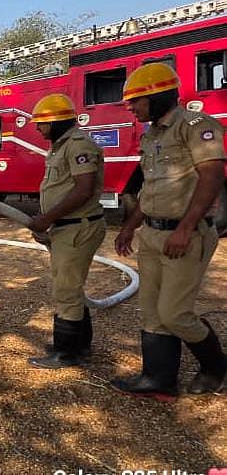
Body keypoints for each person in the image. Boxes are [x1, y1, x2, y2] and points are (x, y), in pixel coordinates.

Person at [113, 63, 227, 396]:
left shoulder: (195, 125)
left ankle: (216, 367)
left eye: (136, 100)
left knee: (175, 313)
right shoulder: (152, 135)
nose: (130, 107)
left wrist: (186, 228)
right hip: (151, 232)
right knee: (151, 311)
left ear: (158, 96)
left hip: (185, 236)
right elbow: (151, 188)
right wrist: (129, 227)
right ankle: (158, 378)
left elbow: (212, 176)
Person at [24, 94, 105, 369]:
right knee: (70, 287)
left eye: (42, 123)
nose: (37, 128)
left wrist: (47, 219)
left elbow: (83, 189)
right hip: (66, 227)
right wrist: (50, 222)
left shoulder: (78, 145)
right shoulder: (61, 147)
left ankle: (65, 353)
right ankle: (79, 345)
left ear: (57, 121)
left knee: (66, 291)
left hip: (77, 228)